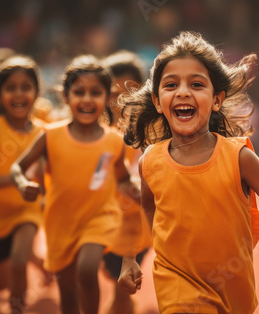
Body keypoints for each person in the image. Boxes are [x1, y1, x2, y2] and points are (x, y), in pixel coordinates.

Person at [118, 31, 259, 314]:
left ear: (216, 99)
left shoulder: (240, 158)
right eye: (171, 84)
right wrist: (130, 257)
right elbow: (145, 213)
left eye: (197, 84)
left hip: (233, 289)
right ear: (157, 102)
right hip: (175, 282)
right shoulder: (149, 161)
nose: (183, 92)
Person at [11, 55, 140, 314]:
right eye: (79, 92)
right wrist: (23, 183)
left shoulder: (114, 141)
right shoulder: (50, 136)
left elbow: (123, 177)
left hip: (100, 218)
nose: (87, 99)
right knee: (68, 293)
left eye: (96, 92)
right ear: (65, 96)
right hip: (60, 222)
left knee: (88, 268)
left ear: (107, 97)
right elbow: (18, 167)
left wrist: (134, 187)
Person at [0, 55, 45, 313]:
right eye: (11, 88)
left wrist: (43, 196)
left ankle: (17, 309)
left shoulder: (43, 132)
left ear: (36, 92)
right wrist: (16, 181)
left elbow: (44, 176)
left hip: (25, 212)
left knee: (19, 264)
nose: (19, 94)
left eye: (26, 87)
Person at [101, 50, 152, 314]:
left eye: (127, 91)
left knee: (122, 289)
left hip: (138, 229)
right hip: (101, 224)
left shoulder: (151, 131)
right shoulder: (93, 131)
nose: (120, 100)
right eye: (113, 92)